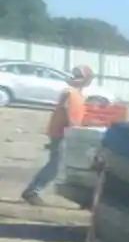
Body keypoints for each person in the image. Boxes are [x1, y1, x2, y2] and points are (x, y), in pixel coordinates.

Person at [21, 65, 94, 205]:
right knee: (56, 165)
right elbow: (66, 108)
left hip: (66, 132)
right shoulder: (69, 92)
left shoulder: (79, 95)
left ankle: (34, 190)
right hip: (62, 133)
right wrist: (73, 127)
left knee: (58, 164)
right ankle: (32, 191)